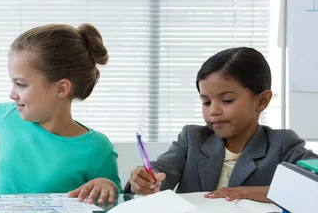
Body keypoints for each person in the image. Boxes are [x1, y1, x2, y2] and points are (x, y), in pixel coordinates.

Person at [0, 0, 121, 204]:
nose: (12, 93)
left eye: (21, 84)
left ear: (61, 88)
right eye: (13, 83)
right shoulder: (8, 117)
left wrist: (107, 186)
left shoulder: (97, 149)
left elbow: (112, 210)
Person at [120, 47, 317, 202]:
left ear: (262, 101)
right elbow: (163, 169)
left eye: (227, 100)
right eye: (206, 102)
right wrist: (144, 180)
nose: (213, 110)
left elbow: (313, 186)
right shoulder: (192, 138)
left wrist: (247, 192)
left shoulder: (282, 144)